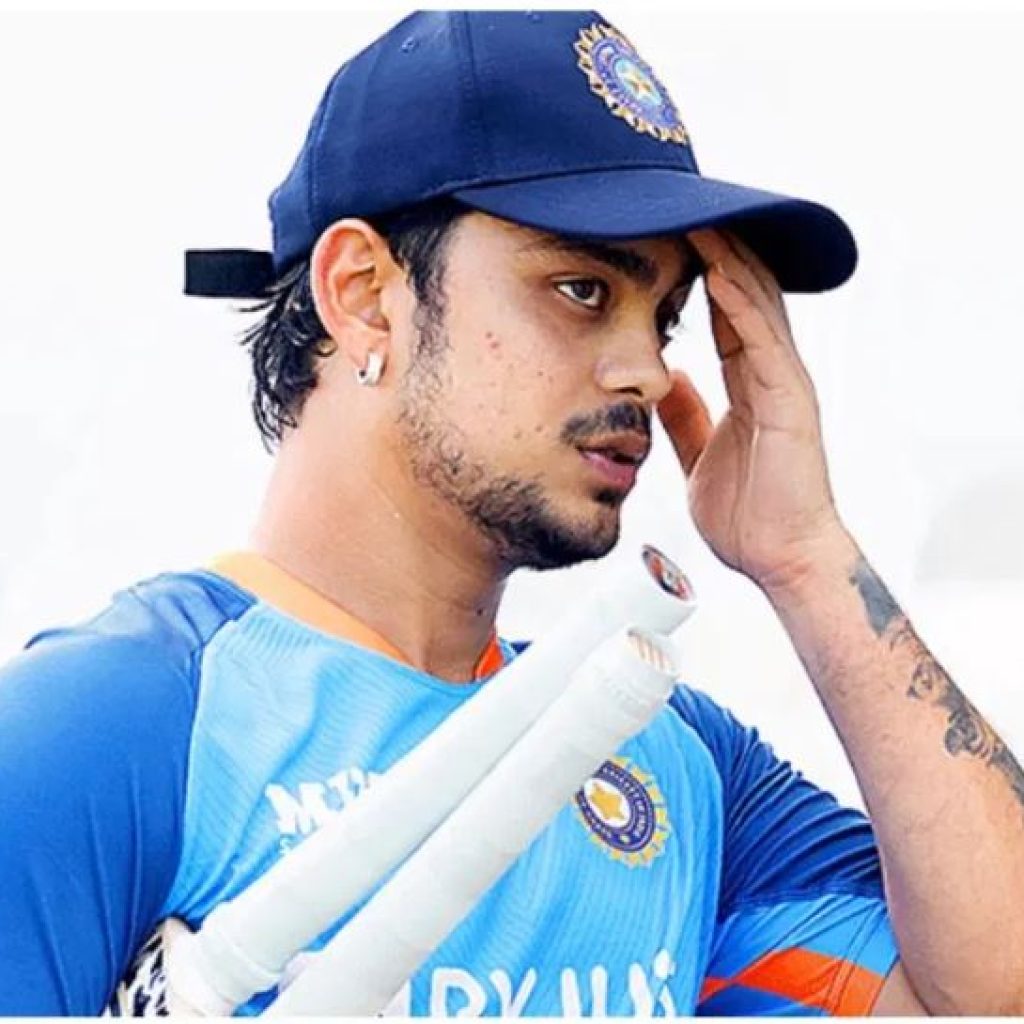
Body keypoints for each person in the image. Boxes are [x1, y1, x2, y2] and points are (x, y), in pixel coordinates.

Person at [1, 9, 1022, 1017]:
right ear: (363, 293)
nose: (646, 369)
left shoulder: (666, 753)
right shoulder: (113, 722)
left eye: (664, 318)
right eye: (582, 290)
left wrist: (805, 555)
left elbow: (992, 988)